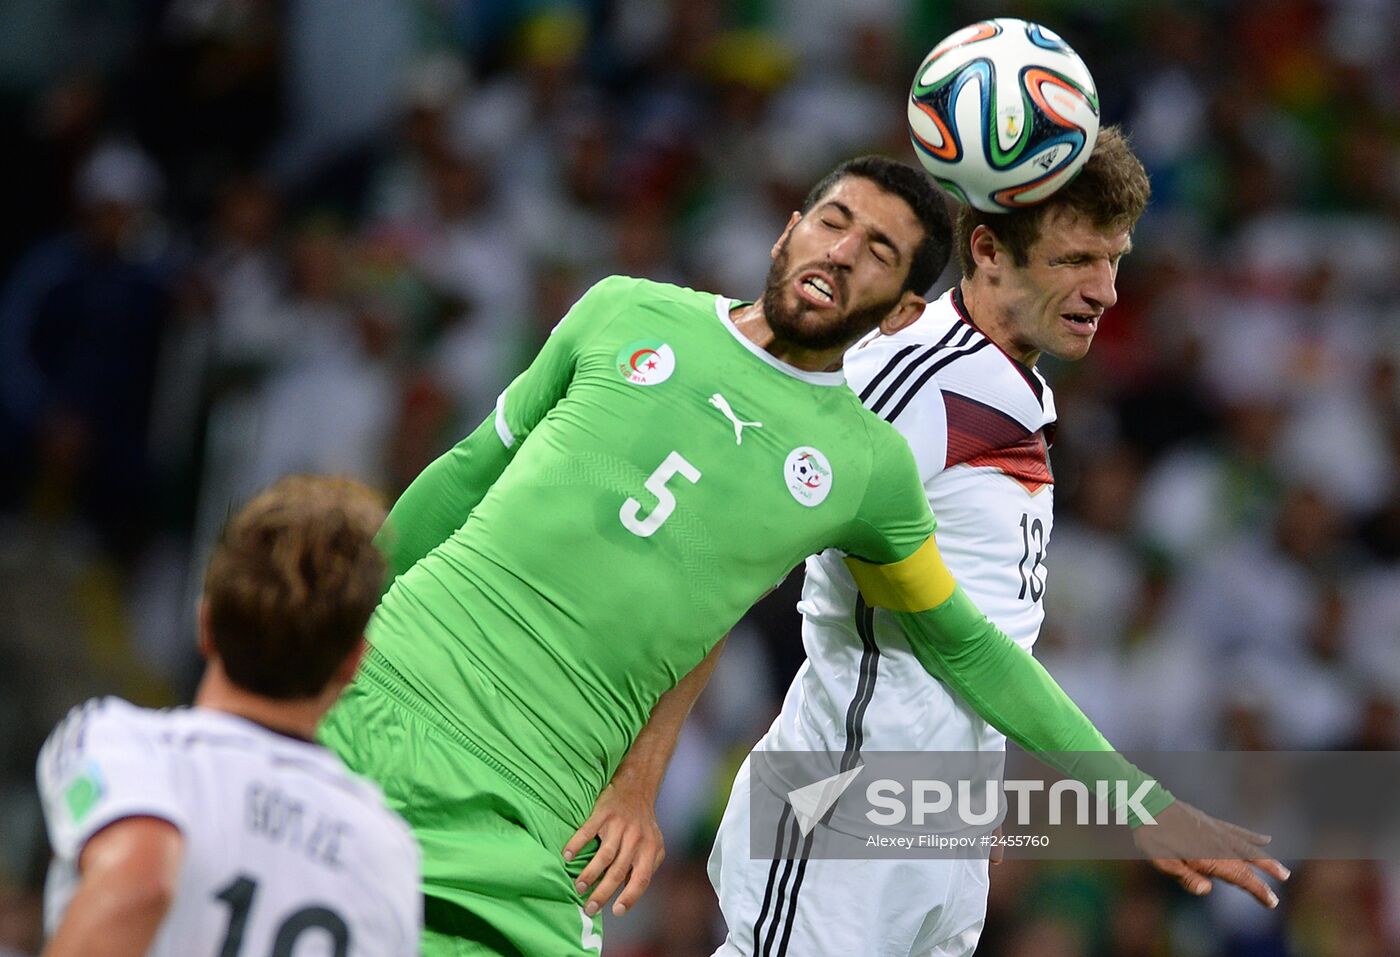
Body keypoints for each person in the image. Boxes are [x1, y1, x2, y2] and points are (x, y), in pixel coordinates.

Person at [320, 155, 1280, 956]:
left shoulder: (872, 455)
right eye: (833, 222)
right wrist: (323, 624)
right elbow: (469, 468)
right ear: (786, 227)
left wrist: (1129, 798)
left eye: (878, 251)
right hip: (414, 691)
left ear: (903, 303)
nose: (840, 252)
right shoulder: (632, 312)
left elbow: (964, 641)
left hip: (569, 789)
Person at [36, 476, 421, 956]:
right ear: (352, 663)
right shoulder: (388, 849)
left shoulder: (119, 745)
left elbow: (139, 882)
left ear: (206, 622)